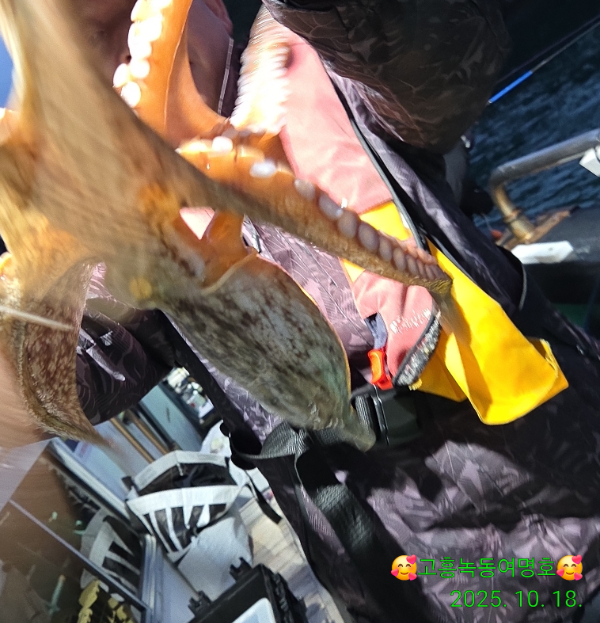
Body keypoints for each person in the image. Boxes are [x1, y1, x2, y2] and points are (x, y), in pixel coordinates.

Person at [4, 1, 600, 622]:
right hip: (393, 575)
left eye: (131, 13)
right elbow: (52, 378)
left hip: (567, 512)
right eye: (83, 47)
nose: (124, 54)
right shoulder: (116, 253)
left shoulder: (347, 75)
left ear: (214, 10)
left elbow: (435, 46)